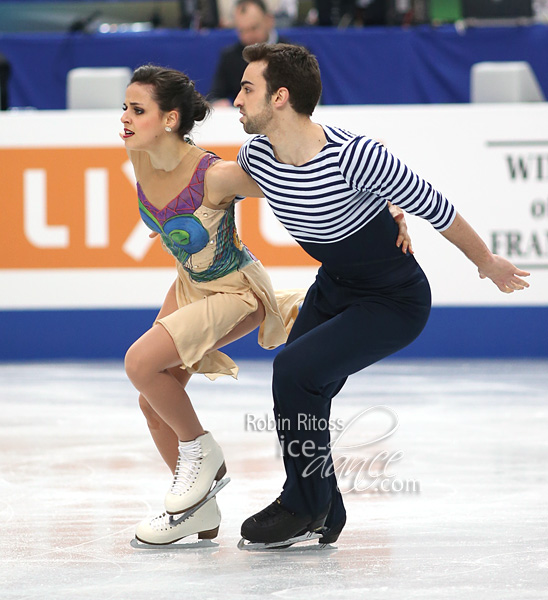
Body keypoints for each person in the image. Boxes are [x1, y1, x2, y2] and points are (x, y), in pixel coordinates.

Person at [233, 43, 530, 547]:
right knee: (303, 385)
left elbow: (437, 207)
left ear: (280, 97)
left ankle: (303, 507)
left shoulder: (356, 155)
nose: (236, 99)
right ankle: (322, 508)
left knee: (295, 372)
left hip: (394, 300)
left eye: (246, 88)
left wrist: (485, 261)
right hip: (335, 285)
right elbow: (216, 188)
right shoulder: (258, 156)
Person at [120, 62, 416, 545]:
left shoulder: (216, 175)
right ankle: (197, 511)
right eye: (124, 108)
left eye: (137, 109)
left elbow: (318, 176)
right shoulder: (140, 156)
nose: (125, 118)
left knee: (140, 364)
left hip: (235, 291)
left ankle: (204, 457)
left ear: (170, 119)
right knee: (153, 399)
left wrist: (390, 207)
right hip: (190, 285)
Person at [209, 0, 290, 106]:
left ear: (269, 21)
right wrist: (218, 102)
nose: (248, 36)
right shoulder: (230, 57)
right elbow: (215, 95)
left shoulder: (292, 54)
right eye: (242, 31)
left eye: (253, 28)